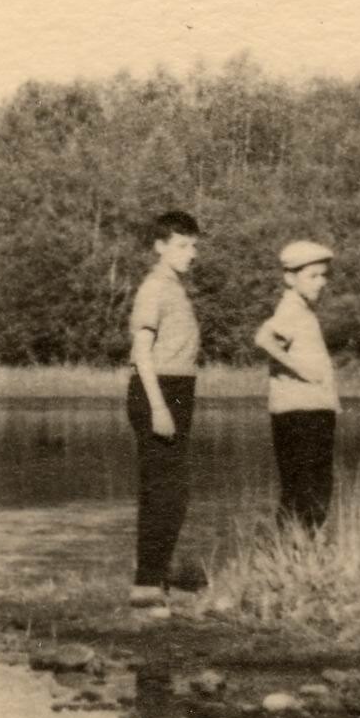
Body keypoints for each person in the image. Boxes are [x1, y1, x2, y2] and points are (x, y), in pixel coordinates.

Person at [124, 210, 206, 611]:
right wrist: (158, 407)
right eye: (181, 245)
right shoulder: (155, 287)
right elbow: (141, 352)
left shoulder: (174, 286)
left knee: (171, 490)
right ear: (159, 247)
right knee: (165, 491)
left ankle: (155, 574)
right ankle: (146, 584)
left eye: (194, 246)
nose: (191, 253)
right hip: (158, 390)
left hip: (177, 389)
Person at [256, 239, 340, 530]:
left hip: (306, 411)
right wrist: (303, 370)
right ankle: (295, 550)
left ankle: (291, 551)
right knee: (308, 492)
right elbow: (264, 338)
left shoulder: (302, 310)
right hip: (302, 414)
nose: (321, 283)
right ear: (290, 278)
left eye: (323, 275)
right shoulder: (291, 309)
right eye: (312, 276)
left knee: (303, 491)